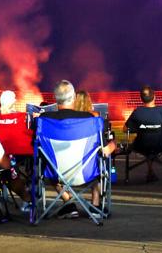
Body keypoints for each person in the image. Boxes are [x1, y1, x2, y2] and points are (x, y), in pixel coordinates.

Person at [40, 80, 116, 212]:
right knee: (97, 157)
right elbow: (104, 149)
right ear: (74, 97)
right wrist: (113, 144)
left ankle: (67, 200)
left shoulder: (43, 120)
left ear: (55, 98)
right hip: (87, 172)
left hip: (56, 173)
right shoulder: (92, 120)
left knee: (44, 162)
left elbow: (37, 148)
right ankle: (96, 204)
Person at [125, 85, 162, 181]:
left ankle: (150, 171)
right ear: (154, 97)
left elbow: (125, 129)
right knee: (154, 141)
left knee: (148, 143)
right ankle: (151, 172)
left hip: (141, 145)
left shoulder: (137, 112)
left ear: (141, 99)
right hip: (161, 144)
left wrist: (141, 127)